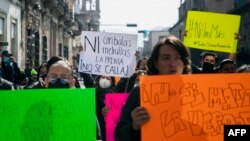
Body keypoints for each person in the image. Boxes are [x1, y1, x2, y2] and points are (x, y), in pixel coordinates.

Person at [115, 35, 191, 141]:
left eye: (177, 57)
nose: (172, 64)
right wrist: (134, 127)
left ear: (184, 63)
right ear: (156, 63)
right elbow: (119, 135)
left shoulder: (196, 92)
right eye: (166, 58)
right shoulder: (140, 92)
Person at [44, 56, 102, 140]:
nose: (59, 80)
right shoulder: (36, 107)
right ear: (46, 81)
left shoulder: (84, 109)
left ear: (72, 82)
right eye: (53, 76)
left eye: (64, 77)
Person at [95, 75, 117, 141]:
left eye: (108, 78)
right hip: (100, 126)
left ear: (111, 82)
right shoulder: (93, 92)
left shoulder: (115, 93)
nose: (105, 80)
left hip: (113, 127)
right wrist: (101, 112)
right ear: (99, 79)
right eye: (102, 77)